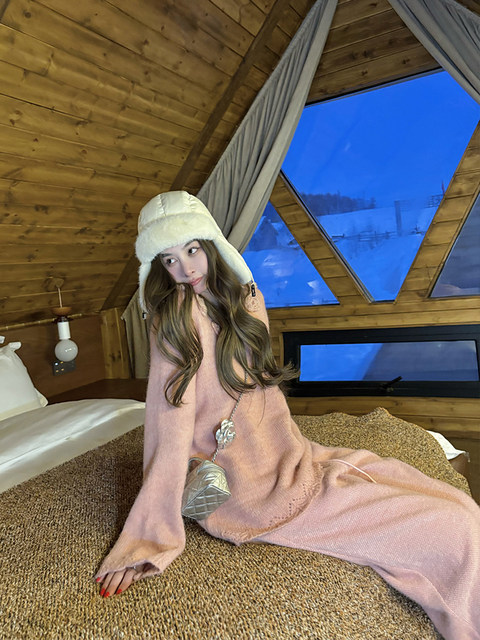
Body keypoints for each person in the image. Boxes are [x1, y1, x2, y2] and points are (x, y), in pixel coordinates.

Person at [95, 191, 480, 640]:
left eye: (192, 249)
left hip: (290, 455)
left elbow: (264, 395)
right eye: (169, 259)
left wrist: (292, 450)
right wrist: (149, 536)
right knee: (452, 530)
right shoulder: (176, 319)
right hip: (246, 488)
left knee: (455, 505)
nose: (185, 269)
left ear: (211, 244)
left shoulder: (245, 299)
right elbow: (169, 423)